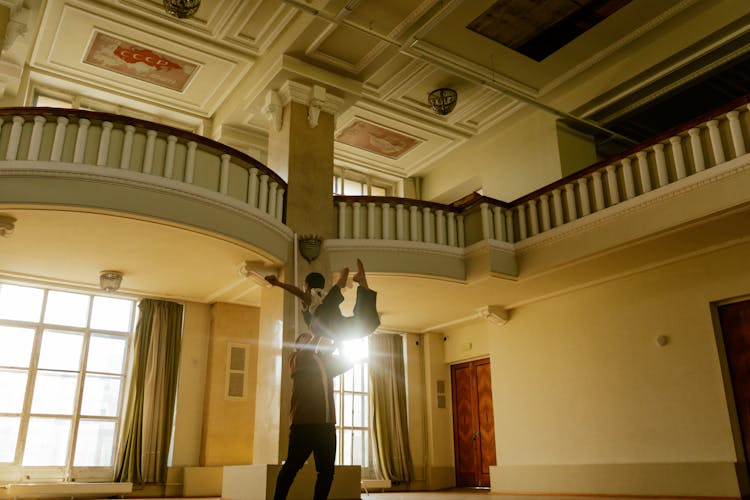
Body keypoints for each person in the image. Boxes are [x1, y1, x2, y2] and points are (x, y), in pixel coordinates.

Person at [272, 331, 352, 500]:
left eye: (310, 338)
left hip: (327, 426)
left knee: (327, 471)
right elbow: (308, 351)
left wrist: (340, 344)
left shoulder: (323, 361)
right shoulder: (295, 358)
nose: (309, 340)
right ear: (298, 346)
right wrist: (318, 333)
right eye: (305, 339)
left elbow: (347, 363)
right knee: (292, 466)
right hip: (303, 425)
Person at [265, 259, 380, 344]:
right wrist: (279, 284)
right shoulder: (317, 297)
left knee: (370, 323)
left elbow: (298, 292)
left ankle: (361, 281)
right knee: (329, 302)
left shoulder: (314, 295)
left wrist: (279, 284)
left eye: (304, 286)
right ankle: (341, 284)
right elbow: (299, 293)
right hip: (323, 325)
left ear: (307, 285)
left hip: (334, 326)